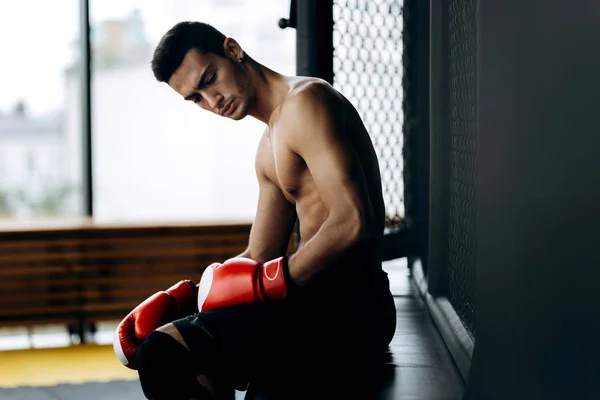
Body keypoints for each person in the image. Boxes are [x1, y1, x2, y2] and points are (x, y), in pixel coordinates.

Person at [113, 21, 397, 400]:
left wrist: (268, 283)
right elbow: (259, 256)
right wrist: (194, 297)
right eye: (196, 98)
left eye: (210, 78)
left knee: (162, 354)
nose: (212, 100)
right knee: (187, 353)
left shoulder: (307, 101)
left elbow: (353, 221)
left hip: (352, 308)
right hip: (308, 309)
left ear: (233, 49)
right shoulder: (268, 148)